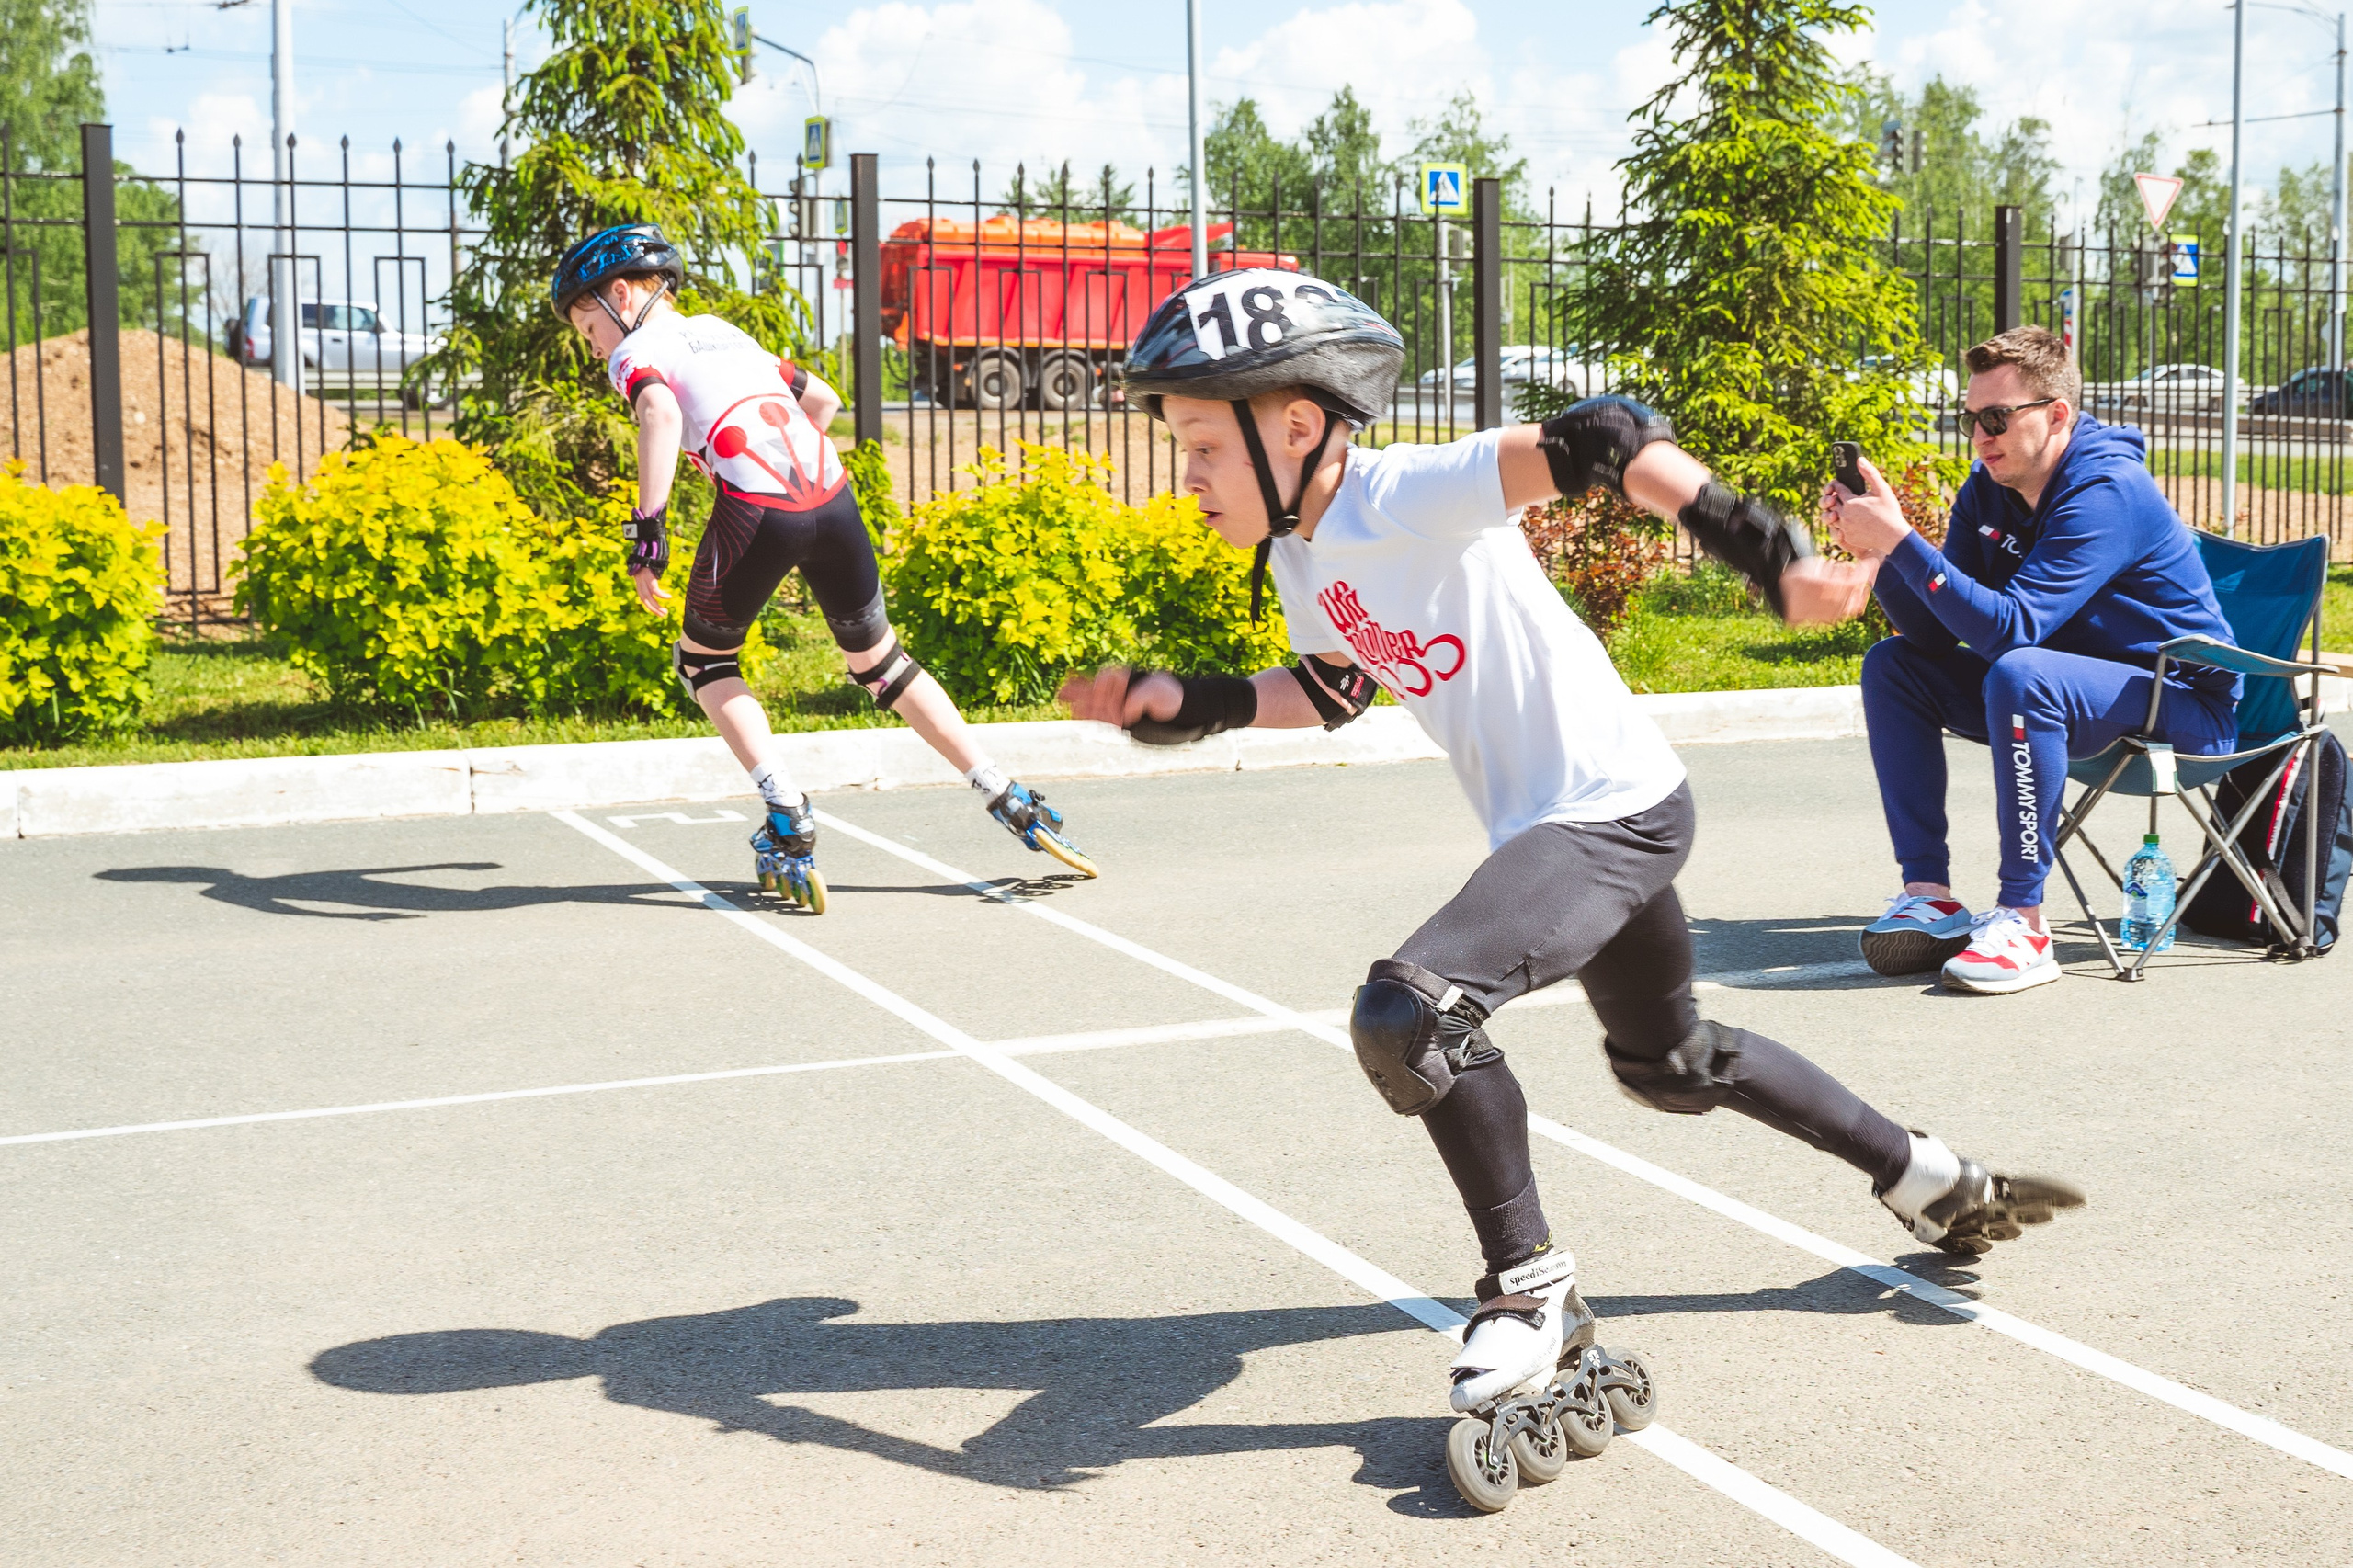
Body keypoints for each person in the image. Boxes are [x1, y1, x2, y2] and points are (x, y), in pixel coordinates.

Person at [1055, 270, 2084, 1494]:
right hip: (1571, 828)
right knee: (1671, 1063)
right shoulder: (1300, 554)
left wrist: (1772, 557)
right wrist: (1198, 704)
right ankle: (1927, 1174)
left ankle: (1528, 1286)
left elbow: (1608, 435)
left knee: (1411, 1011)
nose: (1187, 473)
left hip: (1608, 811)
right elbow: (1337, 687)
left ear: (1296, 427)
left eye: (1200, 443)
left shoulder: (1406, 489)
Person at [551, 223, 1095, 906]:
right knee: (882, 665)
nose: (591, 342)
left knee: (704, 663)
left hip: (759, 508)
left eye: (586, 325)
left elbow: (658, 412)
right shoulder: (725, 332)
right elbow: (823, 401)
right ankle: (1005, 794)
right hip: (833, 498)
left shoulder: (636, 349)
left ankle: (787, 816)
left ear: (621, 296)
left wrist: (649, 528)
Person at [1827, 326, 2239, 993]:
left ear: (2055, 417)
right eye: (1971, 419)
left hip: (2183, 701)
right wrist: (1879, 552)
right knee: (1894, 666)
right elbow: (1935, 635)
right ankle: (1929, 893)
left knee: (2022, 671)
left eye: (1996, 417)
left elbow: (2012, 630)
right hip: (2066, 688)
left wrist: (1903, 541)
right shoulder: (1987, 487)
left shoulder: (2107, 489)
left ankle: (2024, 919)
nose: (1980, 435)